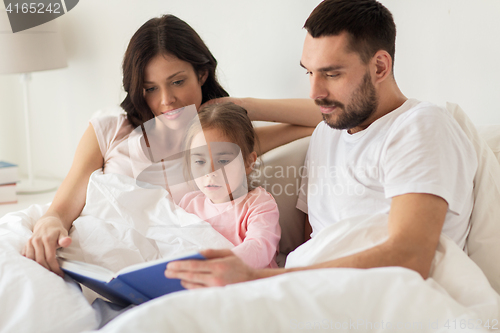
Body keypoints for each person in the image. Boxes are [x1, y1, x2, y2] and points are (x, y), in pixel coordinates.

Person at [165, 0, 477, 288]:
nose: (314, 91)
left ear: (380, 67)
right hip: (309, 292)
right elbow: (313, 242)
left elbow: (410, 257)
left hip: (380, 298)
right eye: (309, 72)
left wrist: (259, 278)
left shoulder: (420, 126)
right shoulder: (327, 133)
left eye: (331, 73)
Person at [22, 14, 321, 276]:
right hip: (92, 257)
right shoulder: (110, 128)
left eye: (177, 82)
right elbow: (65, 203)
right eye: (151, 88)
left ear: (202, 74)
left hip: (167, 270)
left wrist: (242, 105)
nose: (166, 101)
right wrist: (50, 223)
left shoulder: (222, 141)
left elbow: (322, 115)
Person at [178, 103, 281, 269]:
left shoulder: (258, 204)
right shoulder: (188, 204)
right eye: (199, 161)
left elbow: (260, 249)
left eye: (223, 161)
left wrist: (214, 266)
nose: (210, 171)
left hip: (250, 283)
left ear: (249, 163)